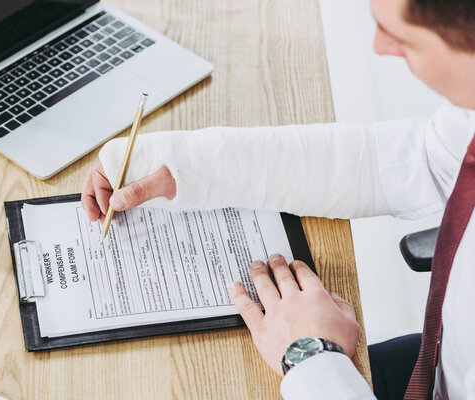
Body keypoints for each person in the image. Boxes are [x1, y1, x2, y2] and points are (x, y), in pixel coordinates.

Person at [82, 0, 475, 398]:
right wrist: (169, 165)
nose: (379, 45)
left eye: (402, 36)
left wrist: (311, 356)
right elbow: (414, 158)